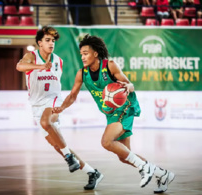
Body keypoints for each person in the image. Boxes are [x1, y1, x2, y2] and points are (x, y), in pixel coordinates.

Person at [52, 34, 175, 193]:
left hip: (125, 106)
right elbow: (72, 96)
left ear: (95, 53)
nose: (82, 56)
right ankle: (162, 174)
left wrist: (128, 87)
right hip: (111, 113)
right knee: (124, 156)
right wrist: (62, 107)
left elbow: (129, 85)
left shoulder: (110, 66)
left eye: (86, 53)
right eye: (81, 54)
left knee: (106, 141)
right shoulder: (82, 73)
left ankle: (145, 168)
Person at [16, 26, 103, 190]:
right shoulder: (31, 56)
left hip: (53, 100)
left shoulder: (58, 61)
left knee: (46, 122)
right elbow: (20, 67)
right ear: (39, 43)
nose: (51, 43)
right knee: (58, 147)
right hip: (36, 105)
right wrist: (40, 67)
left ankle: (69, 157)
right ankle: (92, 172)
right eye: (47, 40)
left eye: (53, 41)